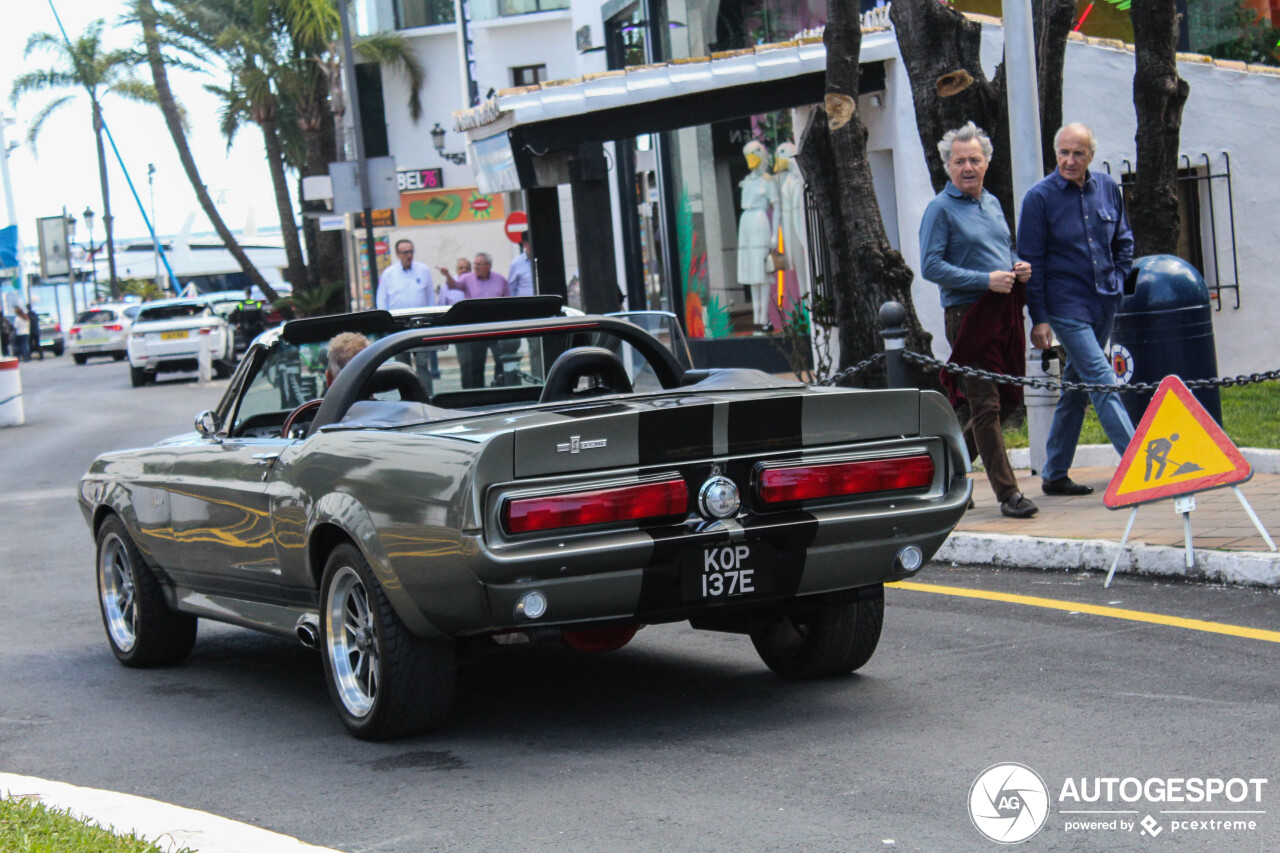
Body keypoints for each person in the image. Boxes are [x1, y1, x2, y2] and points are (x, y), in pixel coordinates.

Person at [919, 122, 1037, 519]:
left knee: (1006, 400)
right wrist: (984, 279)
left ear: (986, 163)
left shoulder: (993, 202)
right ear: (947, 167)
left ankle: (950, 473)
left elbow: (1002, 248)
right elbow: (931, 266)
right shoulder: (940, 209)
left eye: (974, 159)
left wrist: (1016, 266)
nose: (967, 167)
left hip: (1003, 310)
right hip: (968, 314)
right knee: (984, 404)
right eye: (959, 161)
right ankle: (1008, 494)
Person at [1017, 123, 1136, 496]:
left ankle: (1054, 472)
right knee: (1102, 379)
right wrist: (1040, 319)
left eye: (1078, 153)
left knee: (1076, 387)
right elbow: (1031, 261)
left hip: (1104, 300)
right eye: (1064, 153)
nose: (1070, 160)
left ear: (1091, 156)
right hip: (1065, 306)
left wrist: (1119, 278)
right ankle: (1142, 466)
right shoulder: (1039, 198)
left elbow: (1124, 240)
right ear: (1056, 154)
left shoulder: (1108, 189)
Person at [447, 253, 511, 387]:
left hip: (497, 328)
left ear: (488, 266)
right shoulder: (467, 278)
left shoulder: (500, 280)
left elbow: (508, 301)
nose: (475, 267)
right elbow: (453, 285)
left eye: (478, 264)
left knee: (501, 360)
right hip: (477, 328)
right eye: (474, 264)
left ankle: (499, 388)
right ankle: (478, 391)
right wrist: (447, 275)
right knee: (476, 363)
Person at [376, 239, 435, 311]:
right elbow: (381, 299)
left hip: (420, 317)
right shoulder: (389, 273)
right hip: (397, 318)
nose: (409, 255)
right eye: (405, 253)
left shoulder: (423, 270)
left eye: (411, 252)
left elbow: (430, 296)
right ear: (398, 254)